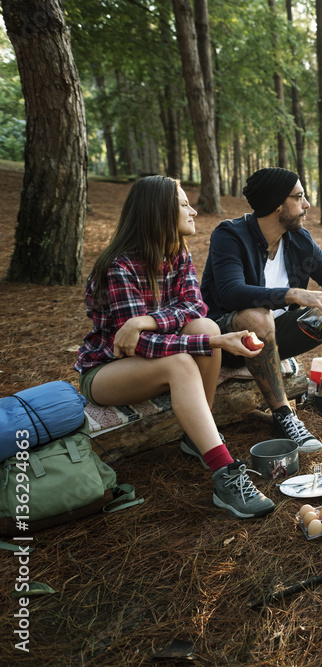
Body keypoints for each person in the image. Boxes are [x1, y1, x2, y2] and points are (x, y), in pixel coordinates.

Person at [74, 175, 275, 520]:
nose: (194, 210)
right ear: (159, 212)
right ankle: (224, 473)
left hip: (152, 353)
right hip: (106, 372)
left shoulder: (176, 253)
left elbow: (196, 308)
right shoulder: (119, 267)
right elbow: (142, 348)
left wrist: (145, 320)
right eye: (183, 204)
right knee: (184, 359)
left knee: (205, 324)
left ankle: (196, 438)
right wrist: (212, 342)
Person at [200, 167, 322, 455]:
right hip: (232, 341)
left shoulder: (299, 239)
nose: (306, 205)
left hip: (279, 336)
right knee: (257, 315)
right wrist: (292, 294)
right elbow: (232, 292)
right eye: (300, 197)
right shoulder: (230, 235)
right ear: (277, 204)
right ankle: (283, 415)